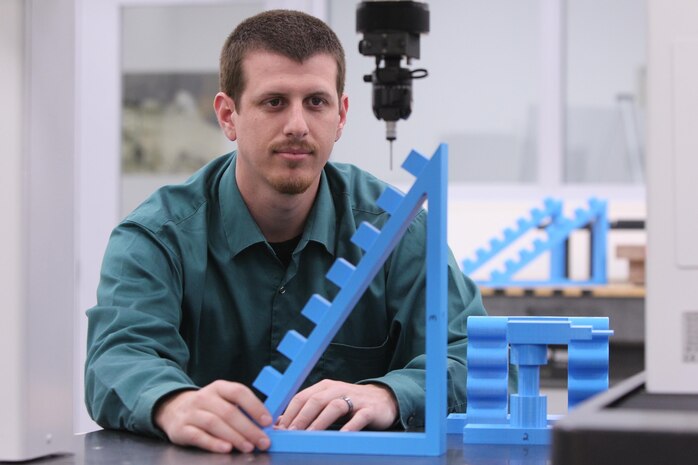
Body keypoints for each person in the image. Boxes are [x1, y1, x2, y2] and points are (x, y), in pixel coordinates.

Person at [84, 9, 487, 455]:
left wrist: (393, 395)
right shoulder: (158, 237)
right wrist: (172, 403)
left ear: (342, 114)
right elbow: (118, 356)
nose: (297, 125)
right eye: (274, 101)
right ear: (228, 115)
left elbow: (481, 357)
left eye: (316, 102)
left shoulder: (396, 231)